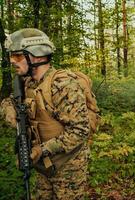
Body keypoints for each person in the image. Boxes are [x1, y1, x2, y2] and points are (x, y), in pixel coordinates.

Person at [1, 28, 92, 199]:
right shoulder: (27, 83)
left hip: (68, 167)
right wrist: (8, 109)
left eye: (18, 56)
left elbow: (80, 131)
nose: (12, 61)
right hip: (43, 167)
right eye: (11, 56)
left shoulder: (64, 86)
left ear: (38, 56)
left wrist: (40, 150)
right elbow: (10, 101)